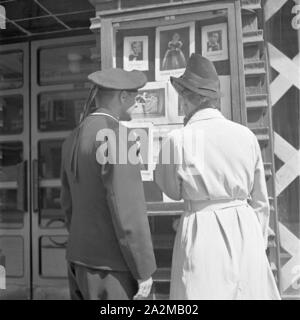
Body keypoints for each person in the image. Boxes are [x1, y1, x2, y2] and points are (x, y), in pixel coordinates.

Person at [154, 53, 281, 300]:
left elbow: (171, 189)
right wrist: (257, 241)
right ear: (212, 100)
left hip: (202, 230)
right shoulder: (246, 136)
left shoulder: (178, 140)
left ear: (186, 100)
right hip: (245, 229)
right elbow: (260, 201)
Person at [60, 68, 156, 300]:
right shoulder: (119, 137)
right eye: (135, 96)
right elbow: (129, 211)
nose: (137, 102)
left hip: (79, 258)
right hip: (112, 268)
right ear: (123, 96)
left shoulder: (72, 136)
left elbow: (67, 203)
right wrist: (143, 269)